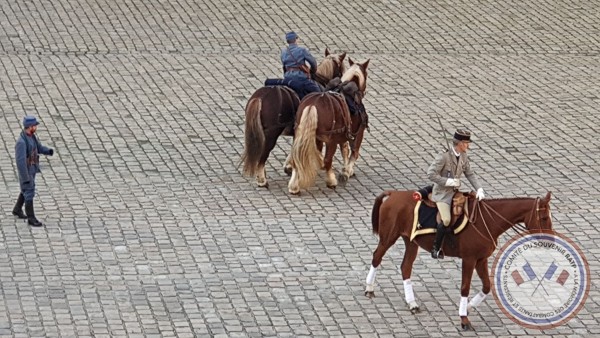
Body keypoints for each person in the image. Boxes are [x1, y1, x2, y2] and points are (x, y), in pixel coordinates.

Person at [427, 129, 485, 259]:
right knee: (446, 219)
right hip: (442, 194)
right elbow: (430, 174)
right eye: (466, 143)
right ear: (459, 143)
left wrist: (479, 188)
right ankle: (436, 248)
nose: (468, 146)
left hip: (455, 192)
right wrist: (447, 181)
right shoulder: (444, 157)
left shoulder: (463, 156)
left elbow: (469, 173)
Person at [13, 116, 54, 227]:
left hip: (32, 169)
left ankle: (17, 209)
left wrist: (48, 151)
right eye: (34, 125)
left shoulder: (32, 137)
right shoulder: (21, 142)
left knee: (25, 190)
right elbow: (20, 162)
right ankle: (31, 218)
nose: (36, 127)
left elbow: (39, 148)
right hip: (26, 171)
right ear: (29, 127)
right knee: (29, 192)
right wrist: (25, 177)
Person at [281, 31, 321, 99]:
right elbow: (313, 62)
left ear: (288, 41)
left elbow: (284, 65)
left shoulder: (284, 52)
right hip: (300, 77)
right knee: (318, 92)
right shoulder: (302, 50)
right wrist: (313, 71)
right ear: (296, 39)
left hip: (288, 77)